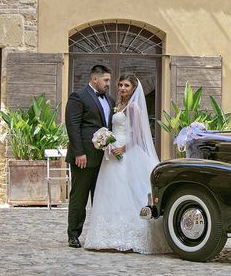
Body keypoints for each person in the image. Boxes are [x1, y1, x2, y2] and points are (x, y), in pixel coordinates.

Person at [83, 74, 169, 254]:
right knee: (112, 192)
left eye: (126, 85)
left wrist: (123, 148)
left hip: (127, 153)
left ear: (133, 88)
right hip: (112, 153)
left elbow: (139, 136)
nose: (122, 88)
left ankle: (132, 235)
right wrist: (105, 140)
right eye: (120, 85)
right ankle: (108, 236)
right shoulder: (119, 106)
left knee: (129, 191)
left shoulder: (134, 108)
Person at [65, 64, 116, 249]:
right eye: (106, 80)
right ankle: (73, 235)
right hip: (84, 157)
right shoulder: (78, 96)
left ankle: (98, 234)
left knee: (100, 197)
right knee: (79, 197)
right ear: (95, 79)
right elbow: (72, 125)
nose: (108, 83)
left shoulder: (110, 100)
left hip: (104, 158)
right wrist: (79, 152)